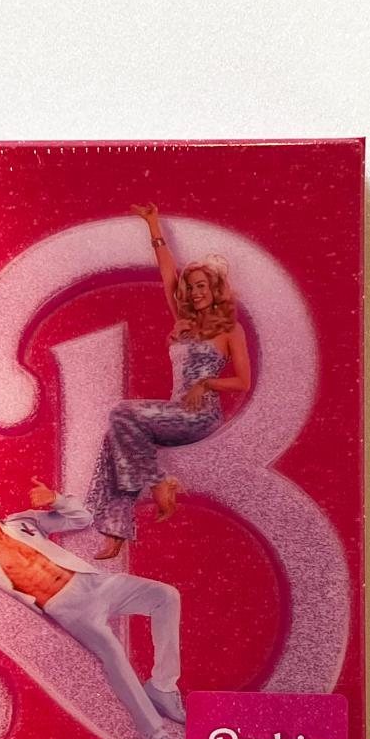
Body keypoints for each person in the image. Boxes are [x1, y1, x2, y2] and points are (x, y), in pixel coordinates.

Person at [0, 475, 186, 739]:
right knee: (113, 655)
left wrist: (56, 500)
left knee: (166, 596)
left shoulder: (23, 522)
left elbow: (82, 518)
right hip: (68, 608)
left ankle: (162, 687)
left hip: (93, 583)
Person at [86, 203, 252, 560]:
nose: (194, 293)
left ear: (215, 289)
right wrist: (153, 226)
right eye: (190, 287)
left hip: (201, 416)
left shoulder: (230, 330)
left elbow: (243, 382)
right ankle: (116, 530)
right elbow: (167, 275)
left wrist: (207, 384)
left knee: (121, 412)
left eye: (201, 286)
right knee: (115, 438)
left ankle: (159, 482)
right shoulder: (184, 322)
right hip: (174, 412)